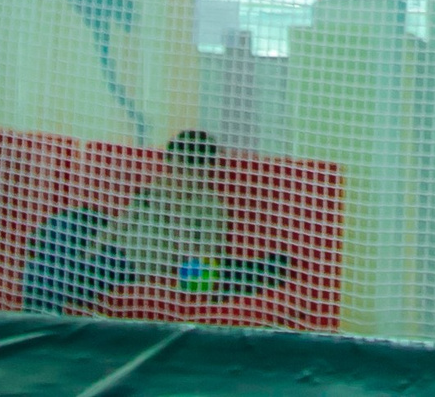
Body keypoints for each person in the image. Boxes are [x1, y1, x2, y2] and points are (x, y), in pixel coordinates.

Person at [22, 129, 288, 313]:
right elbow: (119, 226)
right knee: (75, 225)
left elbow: (203, 266)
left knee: (44, 271)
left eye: (195, 172)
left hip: (129, 264)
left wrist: (176, 219)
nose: (183, 177)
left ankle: (39, 318)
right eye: (177, 167)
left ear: (207, 172)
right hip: (108, 247)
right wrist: (92, 251)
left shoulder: (209, 207)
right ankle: (49, 255)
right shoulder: (154, 189)